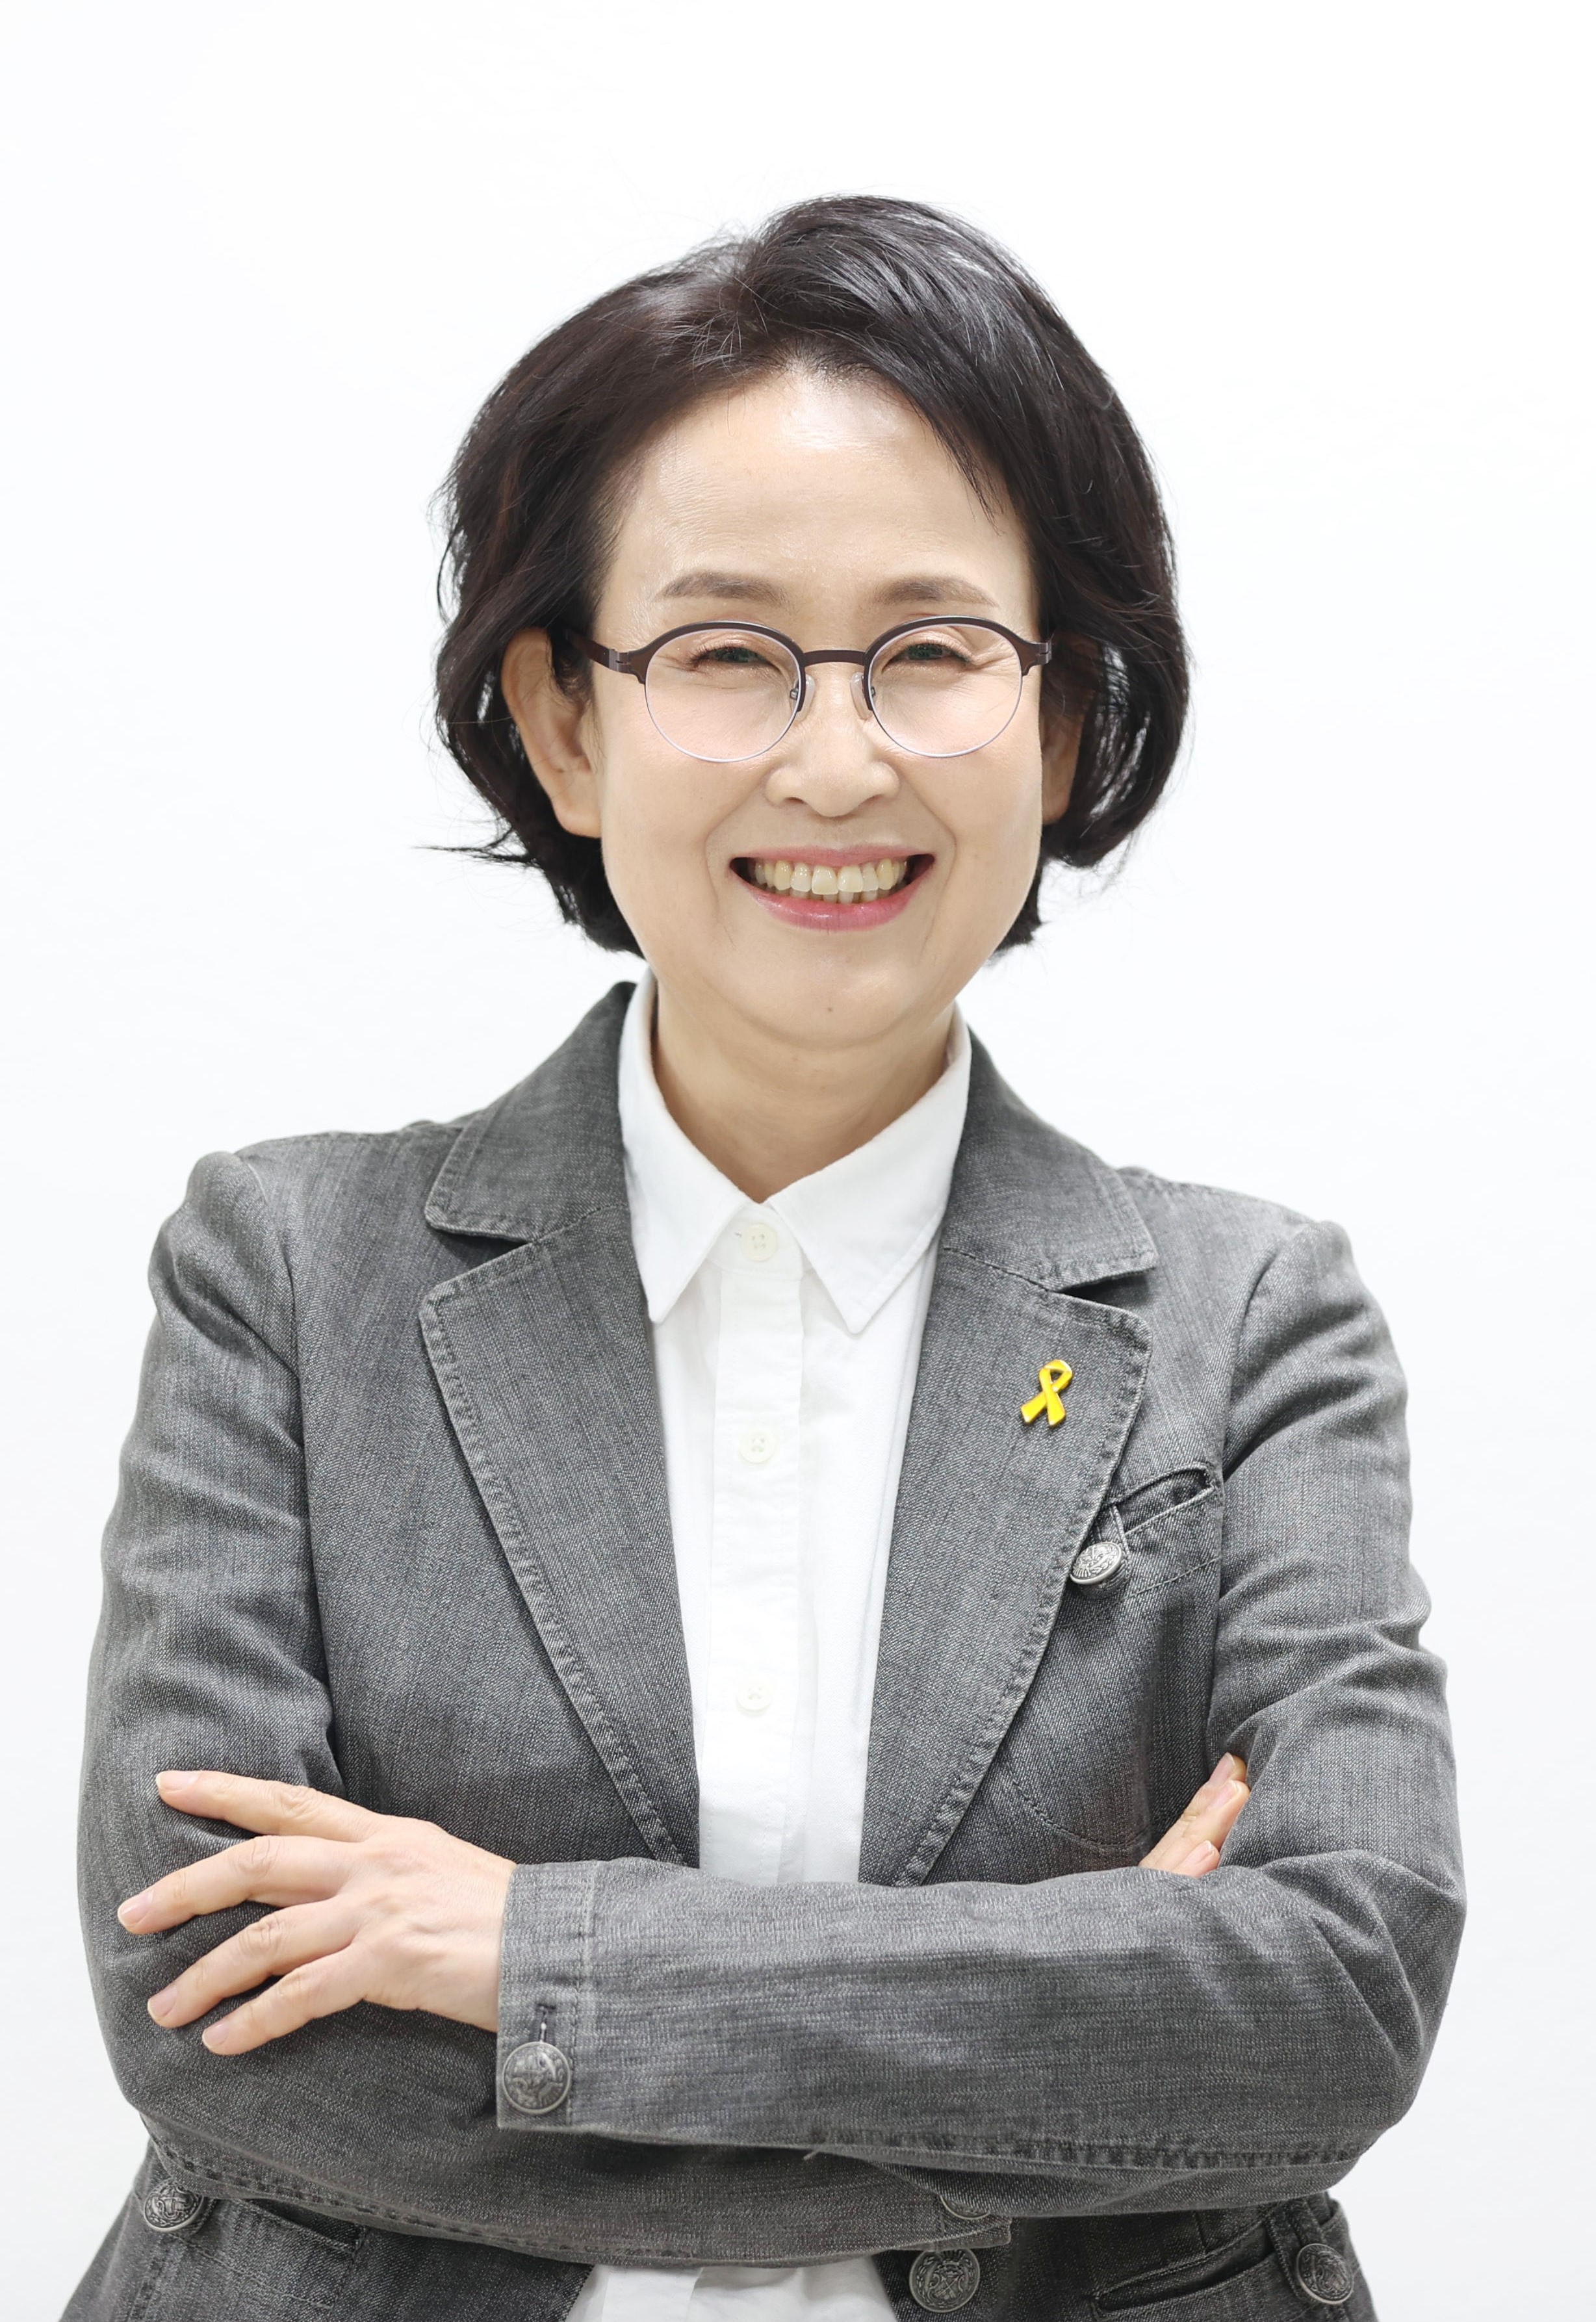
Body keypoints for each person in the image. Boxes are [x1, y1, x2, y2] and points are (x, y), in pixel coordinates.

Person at [69, 196, 1463, 2322]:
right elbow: (227, 2027)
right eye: (727, 653)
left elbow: (1332, 2005)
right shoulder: (284, 1272)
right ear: (565, 721)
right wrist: (1077, 2047)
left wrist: (530, 1955)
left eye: (933, 651)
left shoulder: (1257, 1322)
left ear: (1061, 722)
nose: (836, 759)